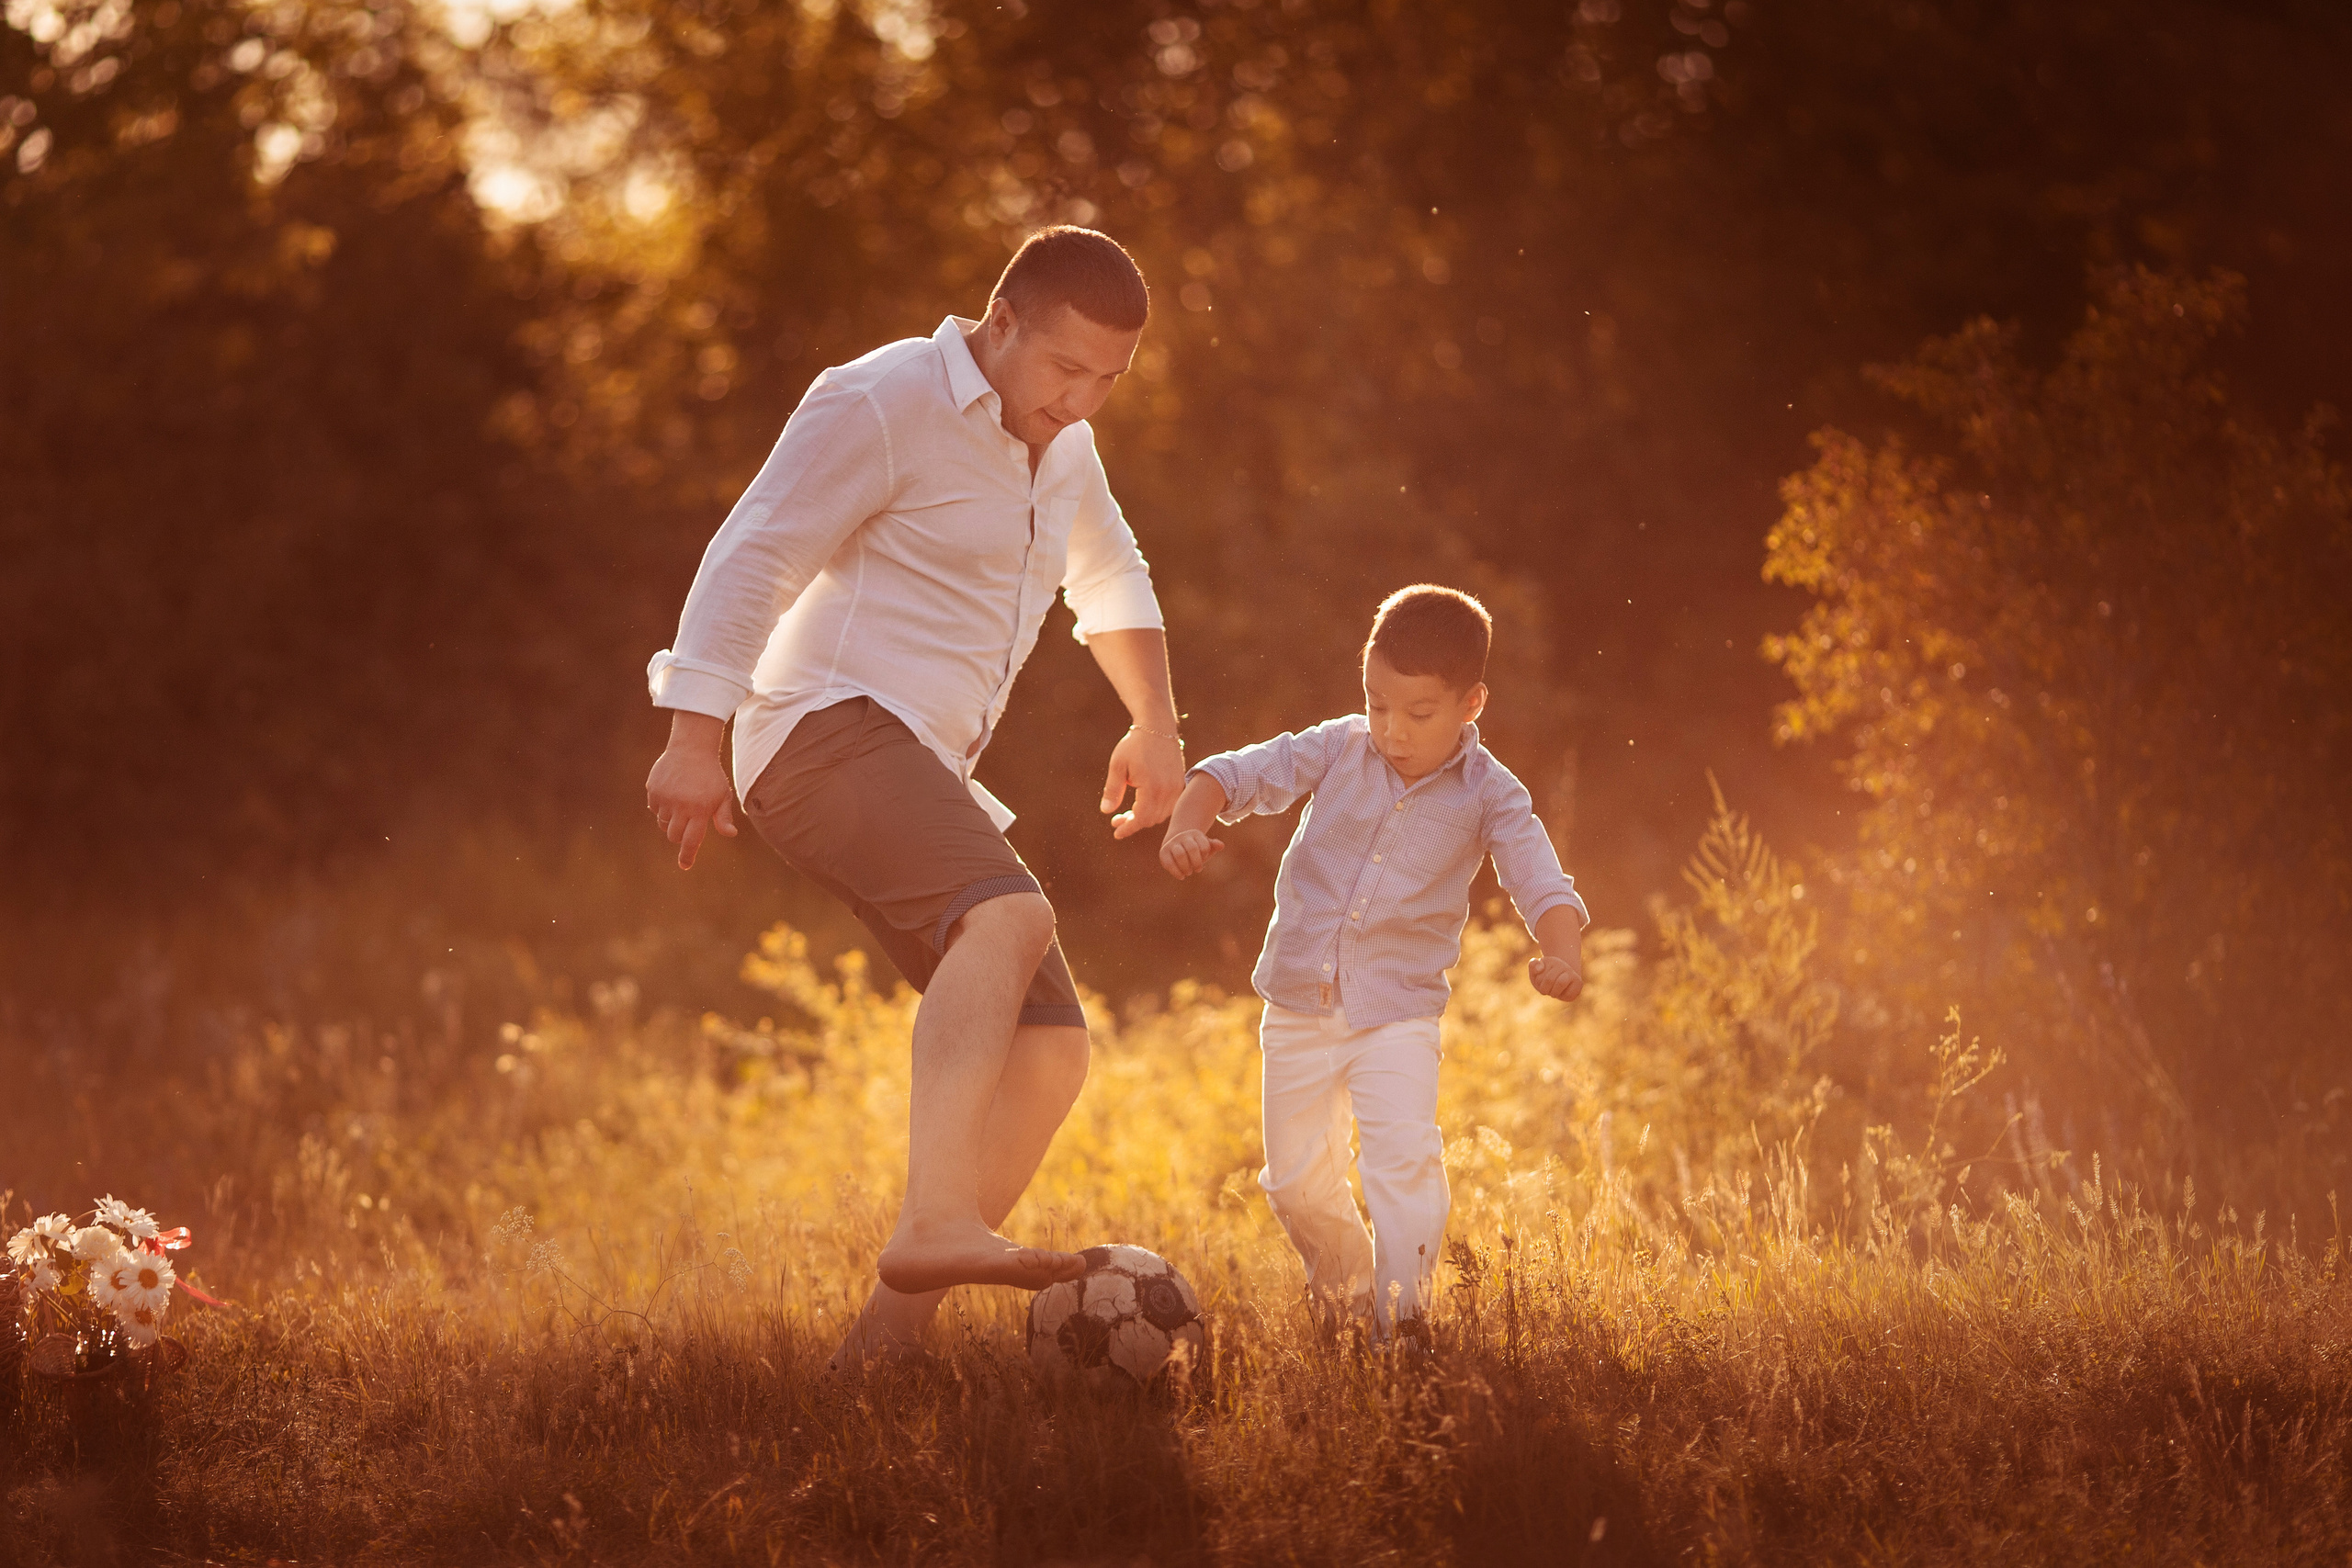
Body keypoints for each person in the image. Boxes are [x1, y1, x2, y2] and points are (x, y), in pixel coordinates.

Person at [643, 228, 1186, 1365]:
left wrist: (1155, 723)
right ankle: (938, 1217)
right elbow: (758, 552)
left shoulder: (1061, 447)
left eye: (1107, 382)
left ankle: (878, 1355)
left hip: (911, 764)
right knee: (1010, 912)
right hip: (818, 727)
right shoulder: (883, 397)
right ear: (1002, 324)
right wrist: (695, 734)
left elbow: (1111, 573)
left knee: (1048, 1050)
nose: (1081, 401)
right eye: (1064, 369)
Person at [1159, 584, 1587, 1337]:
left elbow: (1539, 878)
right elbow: (1235, 775)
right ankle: (1352, 1289)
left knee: (1402, 1160)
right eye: (1378, 703)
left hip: (1398, 1015)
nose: (1392, 729)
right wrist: (1187, 824)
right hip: (1297, 1004)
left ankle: (1405, 1321)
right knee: (1294, 1182)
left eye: (1419, 713)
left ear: (1471, 703)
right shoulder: (1339, 746)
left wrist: (1561, 951)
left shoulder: (1492, 795)